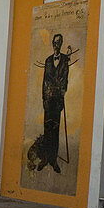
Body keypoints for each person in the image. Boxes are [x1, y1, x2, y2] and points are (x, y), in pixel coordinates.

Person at [39, 33, 71, 173]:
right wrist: (44, 99)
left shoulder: (64, 60)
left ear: (61, 43)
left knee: (55, 129)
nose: (56, 44)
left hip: (57, 100)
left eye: (59, 42)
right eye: (55, 42)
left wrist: (61, 94)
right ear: (52, 43)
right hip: (48, 100)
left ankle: (53, 160)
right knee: (47, 129)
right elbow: (45, 81)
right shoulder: (47, 60)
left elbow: (65, 79)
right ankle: (45, 159)